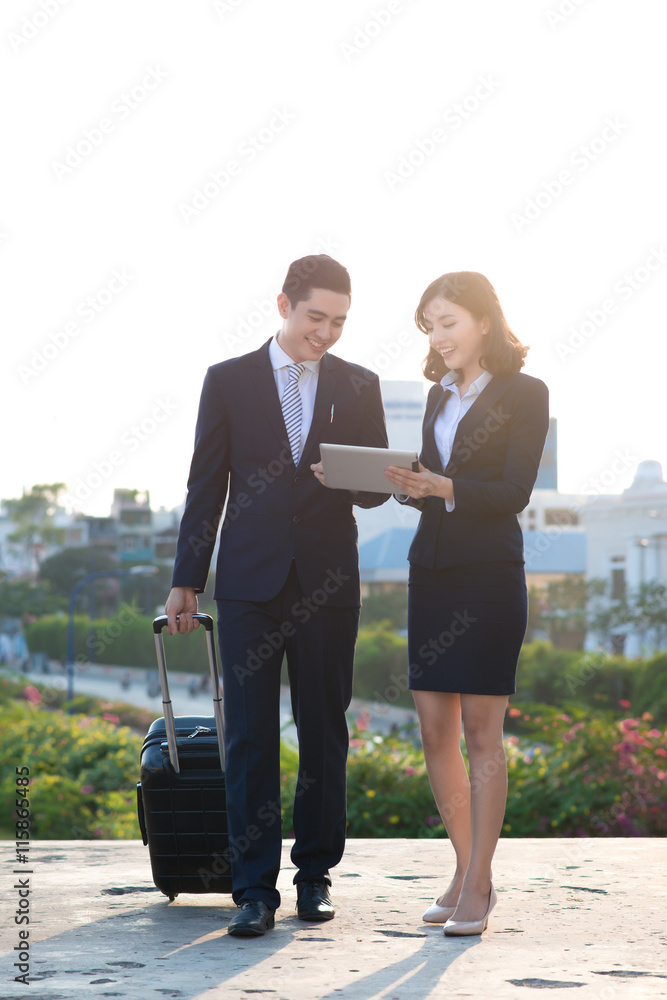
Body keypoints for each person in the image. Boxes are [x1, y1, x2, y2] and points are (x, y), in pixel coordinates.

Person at [165, 255, 388, 937]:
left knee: (324, 733)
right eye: (316, 317)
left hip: (327, 581)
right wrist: (186, 579)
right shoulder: (228, 380)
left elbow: (376, 485)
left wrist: (343, 475)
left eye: (339, 322)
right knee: (250, 739)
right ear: (283, 303)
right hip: (249, 584)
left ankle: (314, 876)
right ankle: (252, 889)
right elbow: (206, 485)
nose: (326, 332)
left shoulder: (358, 383)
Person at [384, 271, 549, 937]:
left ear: (482, 320)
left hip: (486, 577)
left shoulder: (525, 393)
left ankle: (478, 883)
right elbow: (434, 481)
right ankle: (462, 866)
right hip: (431, 571)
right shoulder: (436, 396)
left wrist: (443, 483)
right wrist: (403, 485)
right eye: (428, 325)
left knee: (482, 734)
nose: (438, 336)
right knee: (433, 732)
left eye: (446, 321)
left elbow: (512, 490)